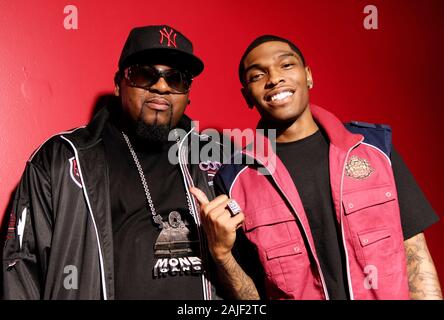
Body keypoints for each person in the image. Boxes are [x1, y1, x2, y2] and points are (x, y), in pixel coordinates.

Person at [190, 35, 442, 300]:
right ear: (247, 97)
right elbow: (252, 297)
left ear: (308, 75)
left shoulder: (374, 149)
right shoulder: (234, 180)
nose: (274, 78)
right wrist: (221, 254)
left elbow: (415, 255)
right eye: (257, 76)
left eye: (286, 65)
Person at [2, 25, 223, 300]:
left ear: (188, 94)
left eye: (176, 79)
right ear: (119, 84)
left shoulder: (216, 160)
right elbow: (21, 268)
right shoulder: (62, 158)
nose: (161, 86)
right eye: (145, 74)